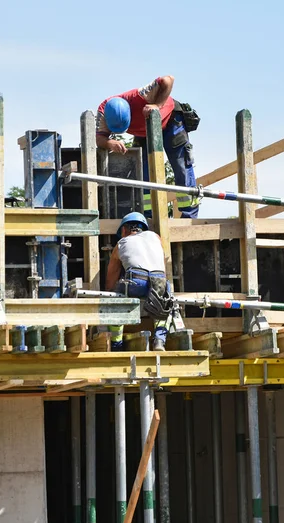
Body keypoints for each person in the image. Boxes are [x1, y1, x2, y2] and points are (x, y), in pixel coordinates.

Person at [96, 76, 200, 219]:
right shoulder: (103, 112)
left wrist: (158, 104)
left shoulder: (141, 95)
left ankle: (189, 215)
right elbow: (99, 139)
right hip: (144, 130)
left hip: (170, 120)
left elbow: (168, 79)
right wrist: (109, 143)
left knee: (181, 165)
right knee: (143, 171)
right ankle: (149, 216)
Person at [105, 212, 173, 351]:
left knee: (116, 298)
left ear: (124, 229)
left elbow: (112, 277)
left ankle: (116, 343)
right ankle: (160, 340)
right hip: (159, 279)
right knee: (165, 300)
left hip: (136, 280)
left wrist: (108, 296)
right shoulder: (156, 238)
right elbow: (162, 264)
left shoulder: (121, 243)